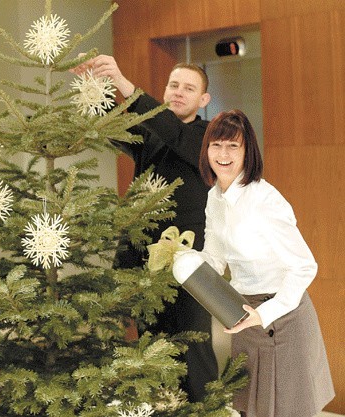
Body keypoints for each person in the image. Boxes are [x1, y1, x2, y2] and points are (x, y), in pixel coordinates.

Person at [71, 55, 217, 402]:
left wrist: (124, 83)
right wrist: (96, 82)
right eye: (173, 85)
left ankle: (204, 410)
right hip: (143, 260)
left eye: (189, 88)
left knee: (193, 344)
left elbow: (173, 132)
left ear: (203, 100)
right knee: (152, 342)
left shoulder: (207, 135)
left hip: (190, 260)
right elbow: (114, 122)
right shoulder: (153, 134)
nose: (179, 92)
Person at [175, 109, 334, 416]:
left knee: (287, 410)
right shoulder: (214, 197)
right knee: (250, 409)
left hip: (283, 317)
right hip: (243, 315)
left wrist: (265, 314)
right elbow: (215, 259)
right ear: (206, 149)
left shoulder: (264, 199)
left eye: (233, 146)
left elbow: (304, 266)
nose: (223, 154)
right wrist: (183, 259)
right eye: (216, 145)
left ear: (247, 152)